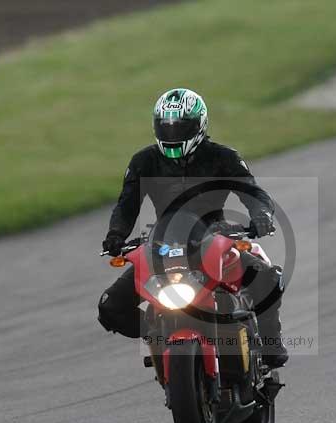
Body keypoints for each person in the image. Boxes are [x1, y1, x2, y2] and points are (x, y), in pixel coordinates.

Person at [97, 88, 288, 368]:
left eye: (181, 127)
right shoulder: (144, 161)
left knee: (267, 279)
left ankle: (270, 341)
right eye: (166, 127)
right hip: (163, 243)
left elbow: (253, 193)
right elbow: (127, 205)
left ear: (199, 125)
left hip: (215, 237)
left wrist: (261, 215)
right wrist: (116, 234)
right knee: (110, 306)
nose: (172, 134)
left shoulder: (224, 157)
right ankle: (158, 335)